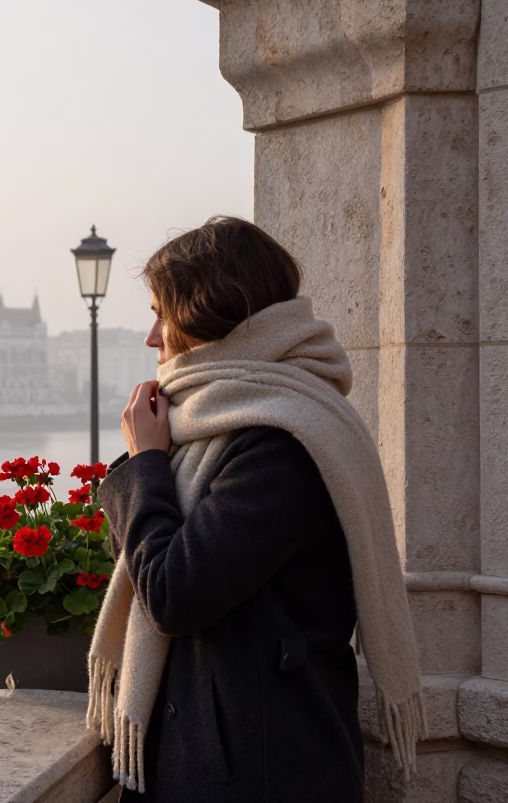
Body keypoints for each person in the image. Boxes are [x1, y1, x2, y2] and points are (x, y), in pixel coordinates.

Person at [86, 217, 424, 802]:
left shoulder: (282, 442)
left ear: (203, 319)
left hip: (260, 771)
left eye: (160, 314)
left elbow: (172, 592)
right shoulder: (264, 420)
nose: (151, 337)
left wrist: (146, 463)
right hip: (244, 756)